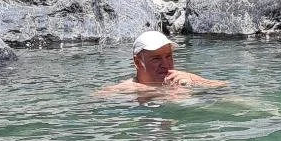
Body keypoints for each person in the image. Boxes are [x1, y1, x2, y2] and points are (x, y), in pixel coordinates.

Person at [95, 30, 228, 99]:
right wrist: (155, 93)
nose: (165, 64)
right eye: (156, 58)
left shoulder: (183, 78)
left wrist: (194, 80)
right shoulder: (125, 90)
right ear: (137, 62)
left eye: (168, 56)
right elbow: (96, 98)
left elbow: (224, 86)